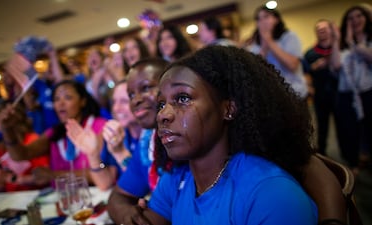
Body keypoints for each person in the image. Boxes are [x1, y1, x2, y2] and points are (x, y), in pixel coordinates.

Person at [135, 45, 318, 225]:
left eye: (183, 98)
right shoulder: (176, 178)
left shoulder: (270, 194)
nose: (163, 114)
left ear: (228, 109)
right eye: (161, 104)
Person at [0, 80, 108, 185]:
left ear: (83, 101)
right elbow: (20, 155)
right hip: (64, 198)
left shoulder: (99, 126)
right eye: (56, 99)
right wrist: (7, 129)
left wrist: (54, 175)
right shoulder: (55, 132)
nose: (61, 103)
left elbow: (102, 171)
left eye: (67, 97)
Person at [107, 58, 169, 223]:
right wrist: (131, 217)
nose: (135, 100)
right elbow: (118, 197)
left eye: (146, 87)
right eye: (131, 94)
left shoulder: (193, 138)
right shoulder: (148, 141)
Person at [66, 80, 142, 190]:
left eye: (124, 101)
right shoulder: (118, 133)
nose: (116, 108)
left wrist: (120, 153)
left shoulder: (151, 137)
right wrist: (93, 154)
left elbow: (145, 184)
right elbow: (105, 183)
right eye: (114, 102)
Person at [330, 5, 372, 171]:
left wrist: (352, 43)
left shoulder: (368, 40)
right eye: (350, 18)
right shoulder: (342, 44)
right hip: (346, 94)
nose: (355, 21)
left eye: (358, 16)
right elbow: (335, 65)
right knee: (349, 132)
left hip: (368, 93)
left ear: (366, 18)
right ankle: (354, 163)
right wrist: (338, 39)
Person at [248, 6, 308, 99]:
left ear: (276, 19)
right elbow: (255, 72)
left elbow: (292, 65)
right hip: (272, 97)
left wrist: (269, 40)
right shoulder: (255, 46)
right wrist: (264, 45)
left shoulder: (289, 36)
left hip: (295, 94)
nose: (262, 21)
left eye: (266, 16)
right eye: (258, 19)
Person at [303, 19, 339, 155]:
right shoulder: (310, 53)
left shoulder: (339, 49)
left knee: (344, 125)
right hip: (320, 94)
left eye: (324, 28)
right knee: (322, 126)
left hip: (340, 93)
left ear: (331, 30)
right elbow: (305, 73)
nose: (321, 30)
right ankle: (323, 155)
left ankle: (351, 159)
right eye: (318, 28)